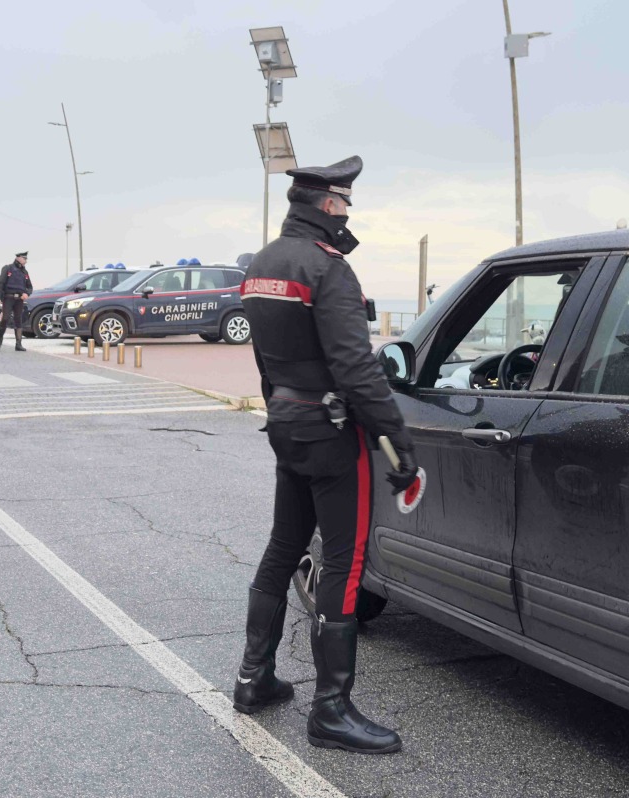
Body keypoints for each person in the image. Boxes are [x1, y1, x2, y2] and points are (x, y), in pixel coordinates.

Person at [234, 156, 419, 754]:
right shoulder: (328, 268)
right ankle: (331, 710)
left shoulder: (261, 264)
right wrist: (399, 444)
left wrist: (281, 408)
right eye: (345, 205)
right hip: (332, 432)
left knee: (283, 546)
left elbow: (265, 359)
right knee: (344, 560)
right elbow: (356, 367)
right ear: (331, 205)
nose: (347, 215)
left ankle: (253, 678)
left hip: (285, 421)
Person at [0, 251, 32, 351]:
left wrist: (27, 293)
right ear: (18, 258)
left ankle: (18, 344)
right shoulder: (8, 268)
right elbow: (0, 283)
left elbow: (29, 287)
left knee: (18, 320)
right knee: (5, 318)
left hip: (19, 299)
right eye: (24, 259)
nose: (26, 261)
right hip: (8, 298)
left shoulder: (25, 272)